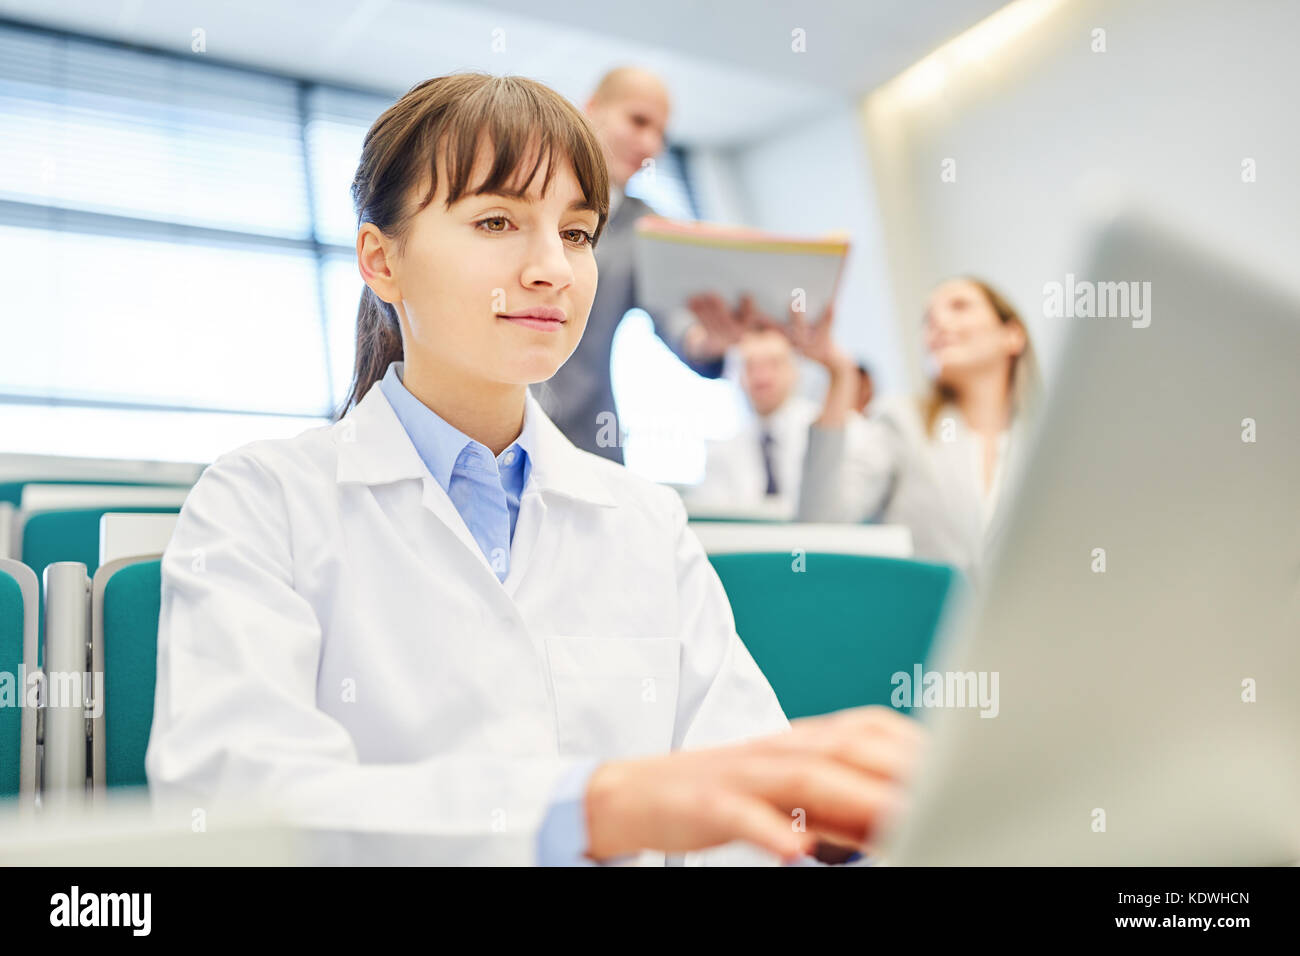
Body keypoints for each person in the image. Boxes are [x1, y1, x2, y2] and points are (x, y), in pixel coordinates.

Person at [145, 73, 923, 866]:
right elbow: (231, 802)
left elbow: (748, 805)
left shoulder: (646, 521)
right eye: (496, 220)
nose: (553, 268)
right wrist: (585, 811)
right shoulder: (260, 500)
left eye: (578, 233)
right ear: (382, 262)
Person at [532, 66, 752, 463]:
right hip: (487, 430)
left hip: (586, 443)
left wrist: (709, 338)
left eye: (662, 134)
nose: (650, 144)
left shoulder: (648, 227)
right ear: (592, 109)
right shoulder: (523, 193)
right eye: (637, 121)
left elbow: (675, 316)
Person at [783, 278, 1040, 578]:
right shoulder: (901, 423)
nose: (938, 323)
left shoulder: (1046, 443)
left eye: (959, 306)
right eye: (928, 319)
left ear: (1012, 335)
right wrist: (840, 376)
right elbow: (818, 523)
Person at [682, 327, 819, 519]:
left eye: (774, 363)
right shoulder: (721, 452)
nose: (761, 376)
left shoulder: (823, 432)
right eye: (750, 366)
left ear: (795, 370)